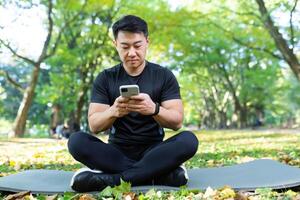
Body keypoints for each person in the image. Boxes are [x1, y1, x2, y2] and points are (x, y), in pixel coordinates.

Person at [68, 15, 199, 192]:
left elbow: (177, 122)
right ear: (115, 45)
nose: (132, 52)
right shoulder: (105, 78)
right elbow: (94, 125)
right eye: (125, 46)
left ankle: (111, 180)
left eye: (137, 46)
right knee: (76, 141)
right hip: (116, 154)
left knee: (189, 140)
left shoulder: (164, 75)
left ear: (147, 42)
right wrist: (113, 111)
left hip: (155, 152)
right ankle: (157, 175)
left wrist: (154, 109)